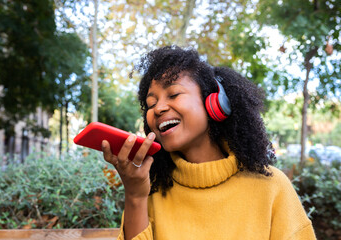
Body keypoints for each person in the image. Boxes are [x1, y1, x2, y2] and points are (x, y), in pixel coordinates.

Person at [102, 45, 316, 240]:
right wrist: (135, 195)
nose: (158, 108)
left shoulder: (272, 188)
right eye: (151, 103)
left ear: (215, 102)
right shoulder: (150, 188)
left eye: (174, 94)